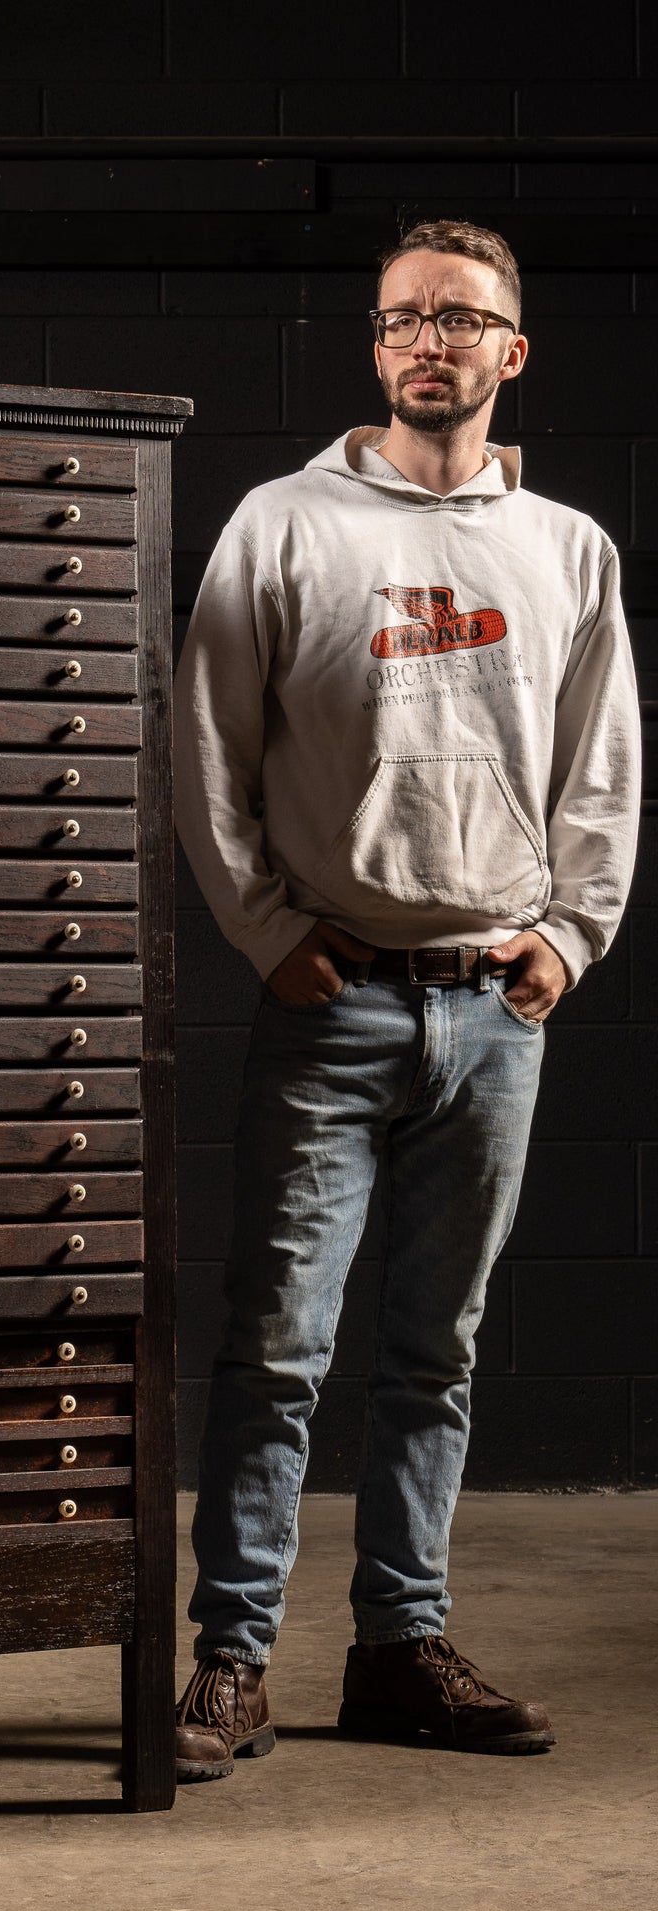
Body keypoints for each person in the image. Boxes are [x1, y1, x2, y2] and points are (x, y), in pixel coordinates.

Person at [170, 219, 641, 1779]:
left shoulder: (568, 551)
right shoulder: (284, 526)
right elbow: (207, 752)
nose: (426, 340)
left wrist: (567, 940)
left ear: (512, 351)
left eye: (461, 318)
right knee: (279, 1353)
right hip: (336, 1001)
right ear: (376, 349)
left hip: (492, 1016)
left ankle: (398, 1650)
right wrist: (262, 934)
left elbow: (604, 770)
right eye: (400, 319)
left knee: (435, 1356)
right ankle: (230, 1660)